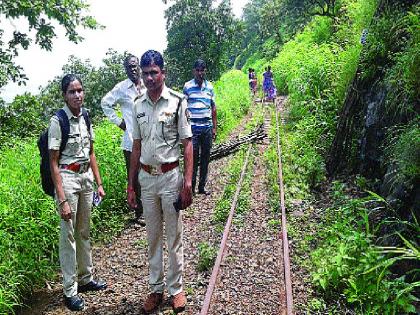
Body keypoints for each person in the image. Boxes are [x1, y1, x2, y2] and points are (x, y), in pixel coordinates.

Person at [127, 50, 193, 314]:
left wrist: (187, 182)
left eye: (154, 72)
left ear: (163, 73)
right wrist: (131, 184)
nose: (150, 78)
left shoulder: (177, 101)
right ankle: (156, 289)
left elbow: (187, 143)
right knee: (153, 236)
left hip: (170, 178)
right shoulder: (137, 105)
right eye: (146, 73)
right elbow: (136, 145)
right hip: (147, 178)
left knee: (173, 237)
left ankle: (176, 290)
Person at [49, 74, 107, 311]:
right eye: (72, 92)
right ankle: (69, 290)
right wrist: (62, 198)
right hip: (68, 178)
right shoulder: (58, 120)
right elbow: (53, 162)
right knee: (69, 236)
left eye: (80, 90)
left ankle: (85, 278)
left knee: (84, 231)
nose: (77, 95)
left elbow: (91, 152)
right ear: (64, 95)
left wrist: (99, 183)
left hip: (86, 178)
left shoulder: (86, 116)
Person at [101, 54, 146, 225]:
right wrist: (120, 122)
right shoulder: (121, 88)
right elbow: (105, 103)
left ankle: (153, 207)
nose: (133, 69)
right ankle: (139, 212)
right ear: (125, 69)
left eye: (135, 66)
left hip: (149, 137)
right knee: (134, 176)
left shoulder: (146, 84)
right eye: (129, 67)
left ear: (140, 67)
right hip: (130, 140)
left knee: (151, 171)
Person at [183, 59, 217, 195]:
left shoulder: (210, 87)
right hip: (193, 129)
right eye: (197, 70)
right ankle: (191, 189)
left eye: (202, 70)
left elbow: (213, 108)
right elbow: (184, 108)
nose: (200, 73)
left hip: (207, 128)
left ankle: (201, 187)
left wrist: (214, 128)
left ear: (205, 71)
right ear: (194, 71)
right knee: (193, 158)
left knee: (205, 158)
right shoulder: (187, 86)